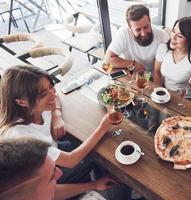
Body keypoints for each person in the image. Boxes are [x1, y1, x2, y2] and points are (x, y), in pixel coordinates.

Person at [0, 65, 130, 199]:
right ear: (21, 102)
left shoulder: (35, 107)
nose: (52, 94)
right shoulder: (22, 138)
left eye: (51, 86)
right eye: (43, 94)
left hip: (54, 160)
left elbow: (56, 97)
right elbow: (69, 163)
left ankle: (96, 175)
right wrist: (94, 185)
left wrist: (56, 115)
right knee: (117, 177)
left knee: (102, 153)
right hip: (51, 179)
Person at [153, 17, 191, 99]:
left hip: (185, 99)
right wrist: (159, 94)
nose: (173, 37)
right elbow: (156, 72)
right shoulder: (163, 48)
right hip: (165, 95)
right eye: (173, 31)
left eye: (179, 36)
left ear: (190, 39)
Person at [105, 4, 169, 73]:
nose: (143, 33)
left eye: (146, 27)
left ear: (150, 21)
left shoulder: (161, 34)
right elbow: (107, 61)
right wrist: (132, 64)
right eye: (138, 30)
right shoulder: (123, 33)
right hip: (131, 74)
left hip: (154, 76)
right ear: (130, 28)